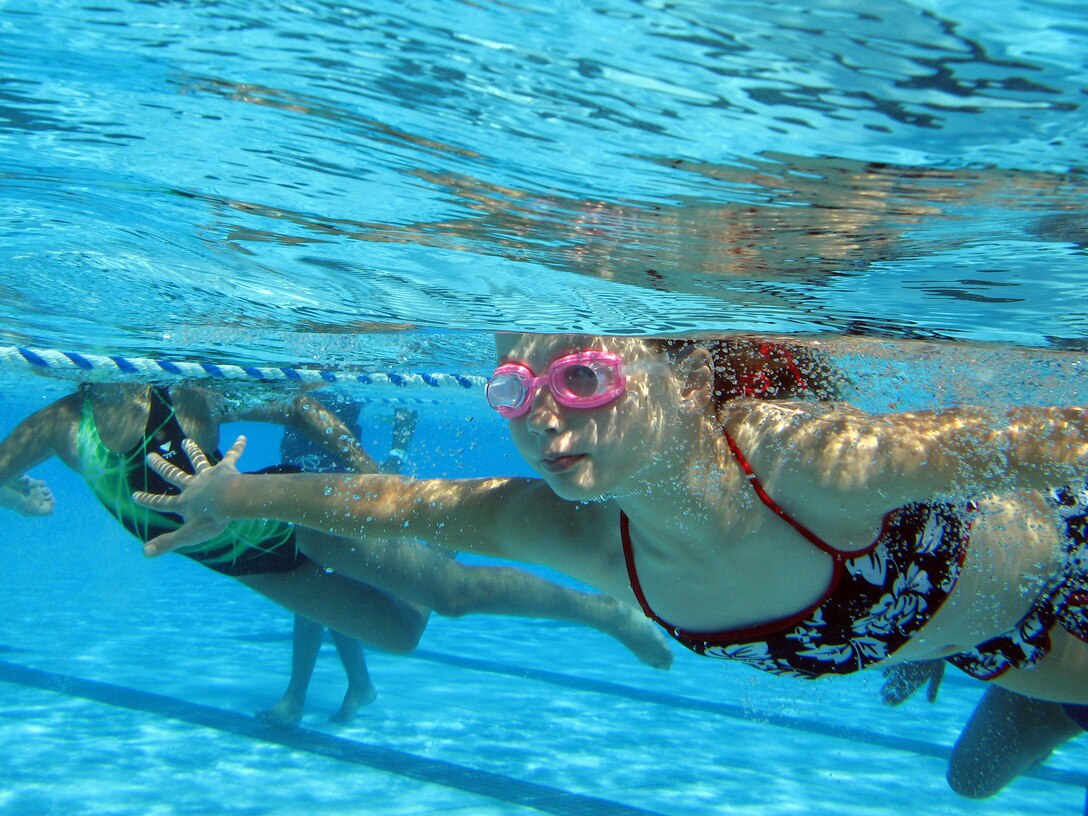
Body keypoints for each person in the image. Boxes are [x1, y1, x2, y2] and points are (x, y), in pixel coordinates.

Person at [135, 332, 1088, 707]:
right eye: (514, 389)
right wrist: (233, 496)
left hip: (1064, 582)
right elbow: (404, 507)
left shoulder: (806, 465)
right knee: (974, 780)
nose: (543, 416)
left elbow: (1062, 439)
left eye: (582, 378)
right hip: (980, 647)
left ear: (689, 378)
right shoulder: (578, 533)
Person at [0, 381, 674, 675]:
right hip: (249, 563)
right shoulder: (61, 425)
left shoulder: (183, 394)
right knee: (402, 634)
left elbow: (295, 406)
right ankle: (429, 550)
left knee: (450, 596)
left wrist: (370, 476)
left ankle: (606, 613)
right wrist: (20, 498)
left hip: (287, 515)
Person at [257, 404, 418, 726]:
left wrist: (396, 456)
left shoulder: (358, 360)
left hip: (340, 472)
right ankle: (357, 685)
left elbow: (404, 406)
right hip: (296, 467)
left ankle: (297, 697)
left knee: (312, 579)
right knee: (320, 580)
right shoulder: (299, 368)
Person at [882, 660, 1086, 798]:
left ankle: (1066, 710)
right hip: (1057, 654)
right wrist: (933, 644)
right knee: (973, 775)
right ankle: (1062, 709)